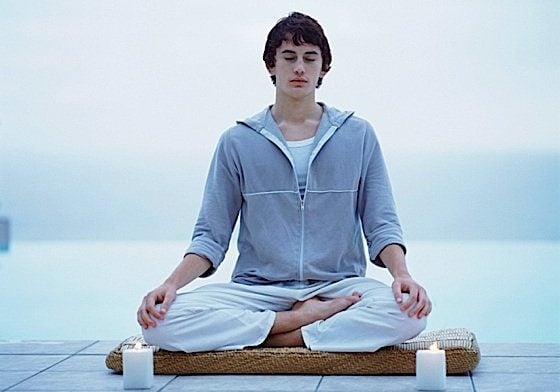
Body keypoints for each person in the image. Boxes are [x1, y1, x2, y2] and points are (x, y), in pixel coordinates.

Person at [137, 11, 431, 353]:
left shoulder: (358, 135)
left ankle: (276, 336)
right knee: (162, 324)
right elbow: (210, 236)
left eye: (310, 58)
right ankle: (293, 324)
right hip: (258, 290)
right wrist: (170, 285)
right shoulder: (237, 141)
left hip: (338, 287)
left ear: (324, 68)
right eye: (288, 57)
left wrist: (403, 277)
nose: (299, 68)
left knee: (409, 316)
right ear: (270, 65)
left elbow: (381, 224)